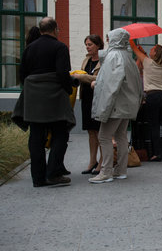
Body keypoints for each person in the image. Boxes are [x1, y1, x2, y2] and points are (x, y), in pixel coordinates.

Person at [13, 17, 75, 187]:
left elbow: (23, 73)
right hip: (54, 96)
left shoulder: (29, 48)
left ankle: (38, 178)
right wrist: (69, 90)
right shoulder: (60, 47)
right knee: (60, 134)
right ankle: (53, 172)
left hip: (33, 97)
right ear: (55, 29)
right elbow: (62, 73)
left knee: (36, 137)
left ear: (41, 30)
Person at [89, 28, 143, 183]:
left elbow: (110, 84)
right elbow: (138, 84)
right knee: (121, 137)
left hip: (115, 104)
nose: (107, 40)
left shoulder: (114, 56)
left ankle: (106, 172)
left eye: (109, 38)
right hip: (127, 104)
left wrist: (97, 87)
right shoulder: (128, 57)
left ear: (114, 39)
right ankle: (121, 170)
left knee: (104, 136)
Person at [129, 40, 162, 161]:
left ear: (155, 53)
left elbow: (134, 49)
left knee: (154, 125)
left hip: (152, 96)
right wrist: (142, 52)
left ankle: (157, 153)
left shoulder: (148, 62)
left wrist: (131, 39)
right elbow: (144, 55)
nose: (150, 50)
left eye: (153, 49)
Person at [73, 35, 104, 175]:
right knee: (91, 132)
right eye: (86, 44)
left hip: (98, 98)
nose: (87, 47)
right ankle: (92, 161)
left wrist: (82, 77)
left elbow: (101, 78)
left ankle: (102, 161)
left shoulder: (104, 61)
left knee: (100, 131)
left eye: (90, 44)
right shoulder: (86, 60)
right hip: (86, 98)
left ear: (98, 45)